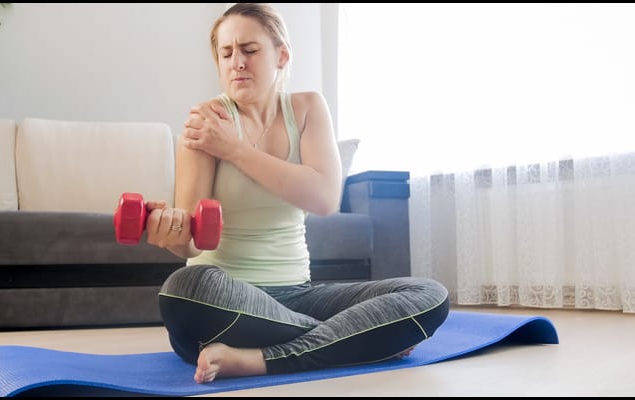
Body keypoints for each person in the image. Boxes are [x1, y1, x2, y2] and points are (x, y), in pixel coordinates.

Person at [144, 3, 449, 384]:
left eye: (249, 50)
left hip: (298, 295)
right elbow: (190, 243)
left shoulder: (307, 109)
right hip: (224, 303)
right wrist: (170, 233)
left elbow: (323, 198)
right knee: (183, 289)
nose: (236, 62)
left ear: (281, 55)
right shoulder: (205, 124)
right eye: (226, 54)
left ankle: (259, 360)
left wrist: (234, 149)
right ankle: (356, 337)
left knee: (428, 294)